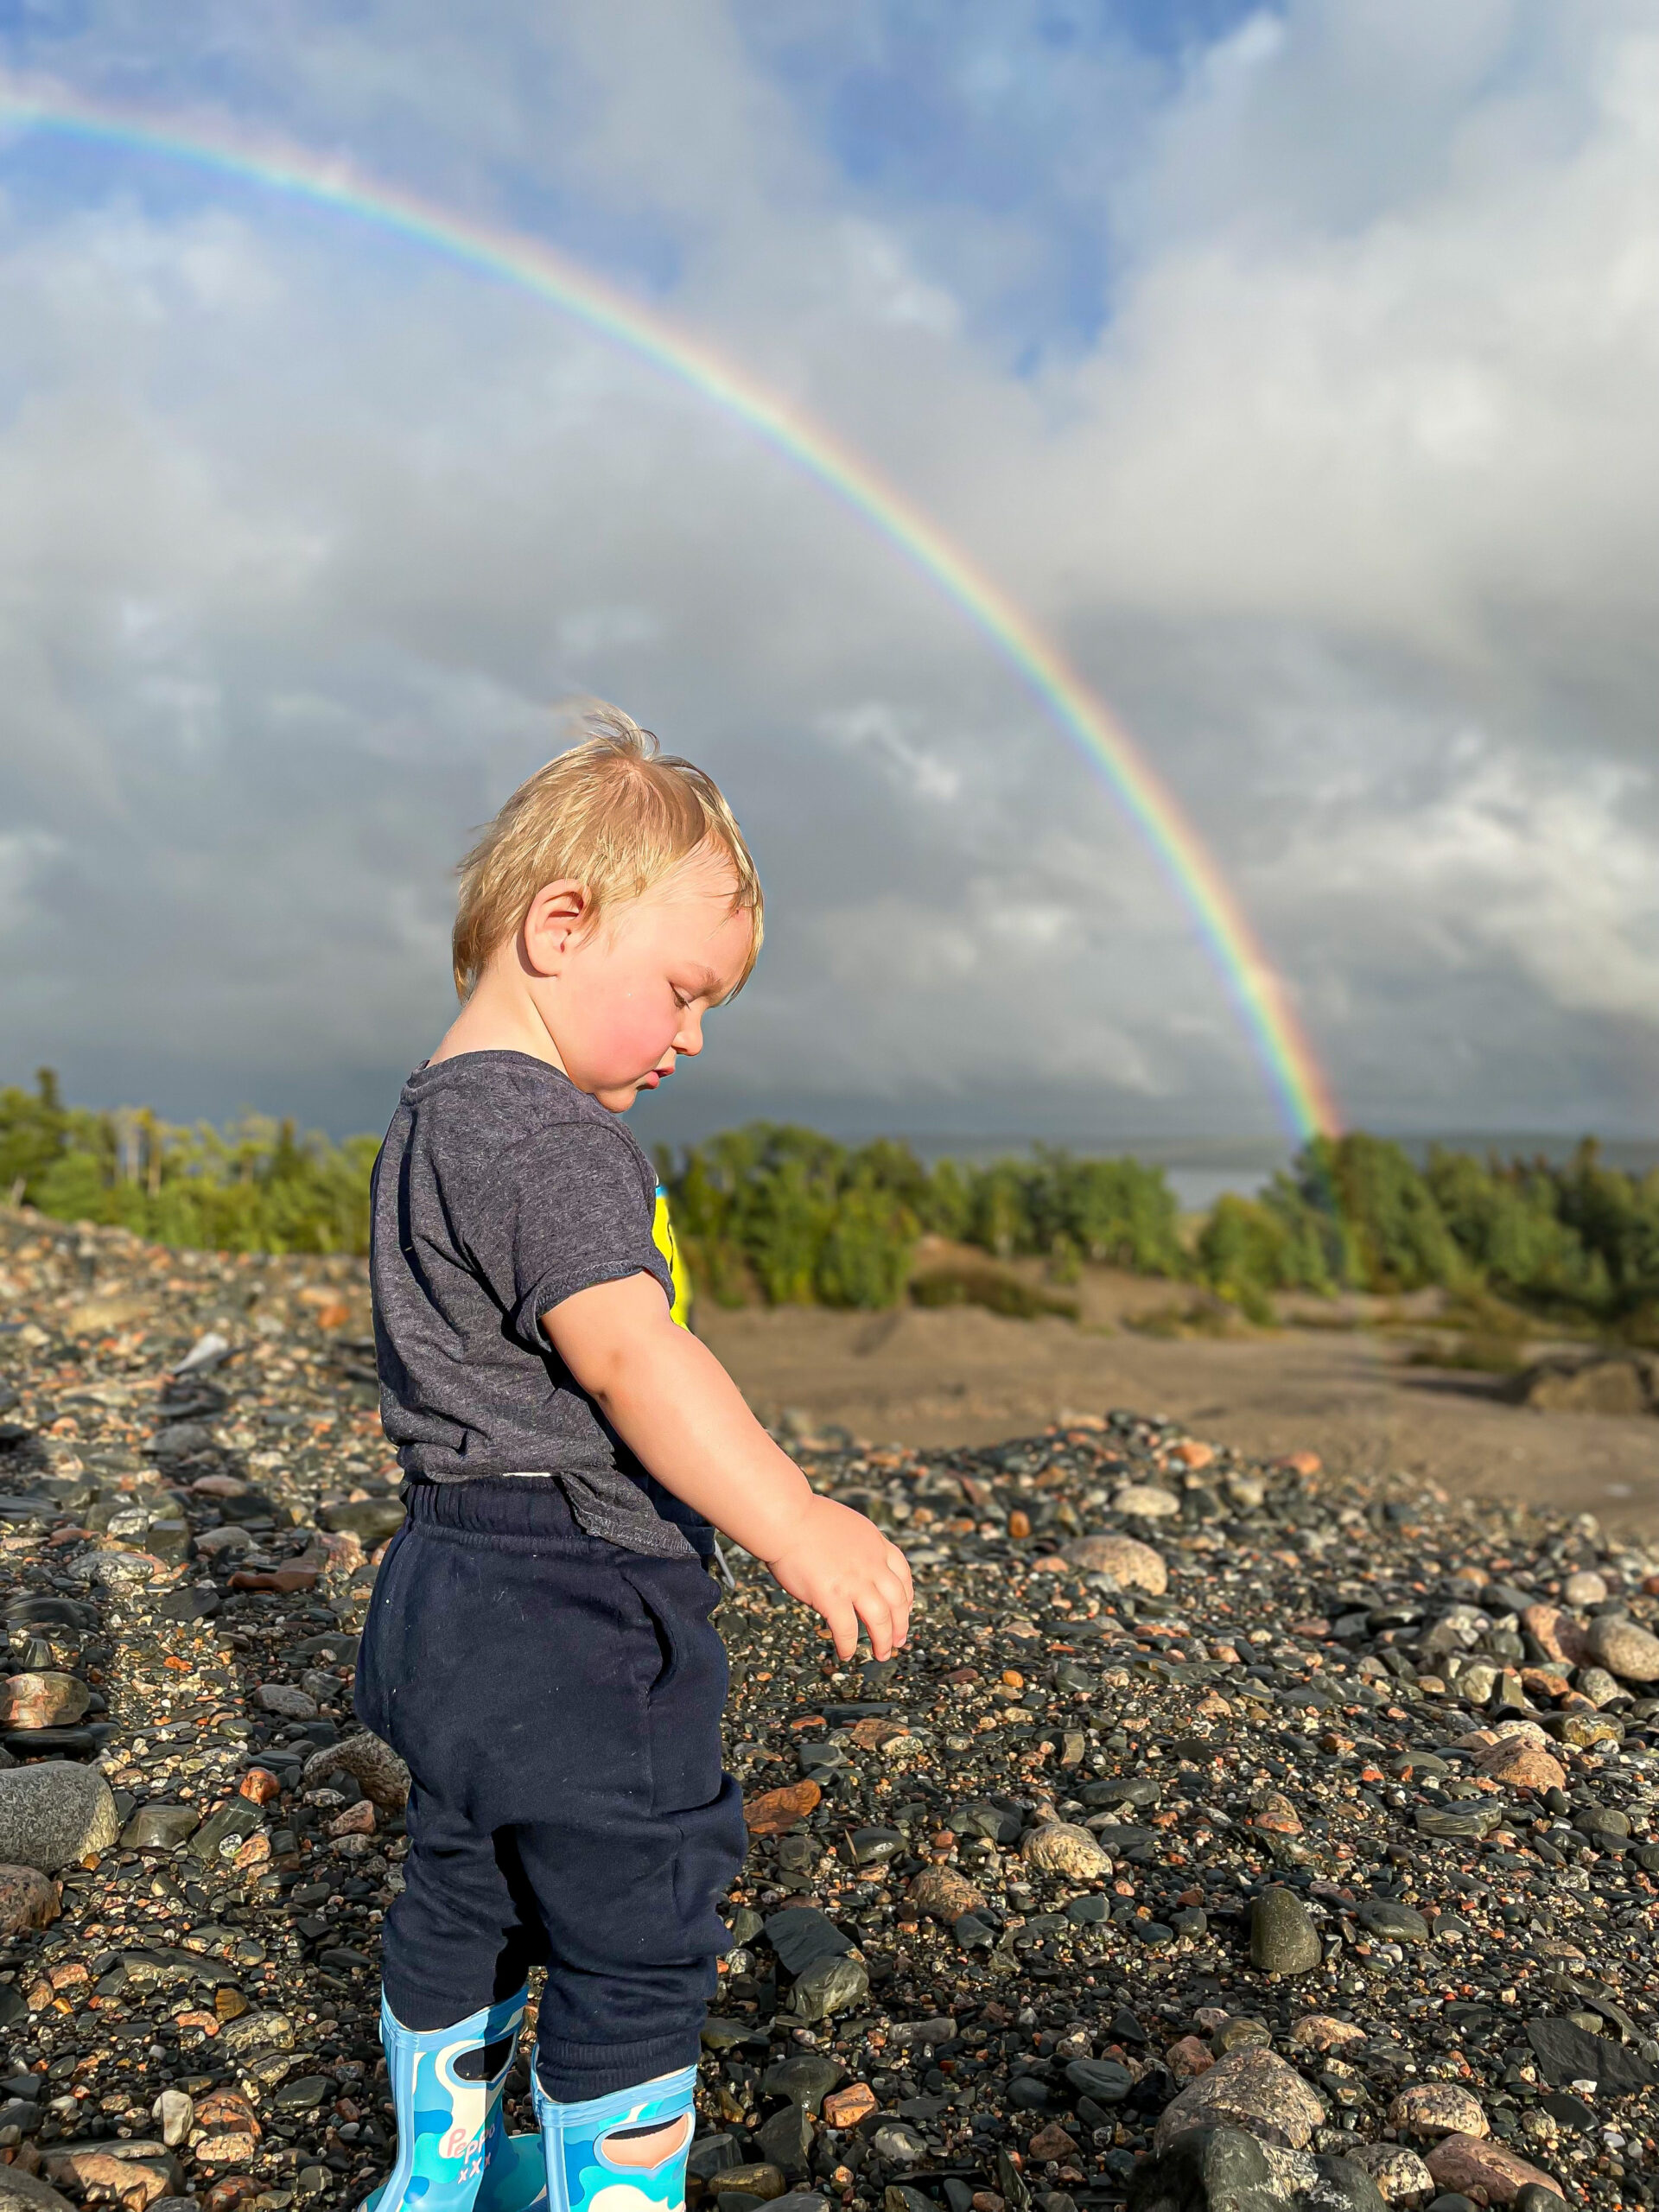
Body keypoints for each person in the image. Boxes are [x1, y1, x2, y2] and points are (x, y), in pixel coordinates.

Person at [353, 705, 913, 2212]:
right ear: (560, 927)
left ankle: (436, 2181)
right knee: (639, 1920)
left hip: (444, 1587)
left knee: (466, 1884)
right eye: (681, 991)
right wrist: (794, 1515)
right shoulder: (548, 1139)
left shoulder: (430, 1122)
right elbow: (631, 1354)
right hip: (579, 1603)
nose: (694, 1036)